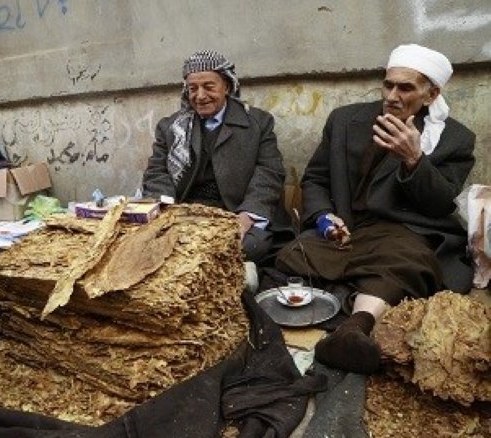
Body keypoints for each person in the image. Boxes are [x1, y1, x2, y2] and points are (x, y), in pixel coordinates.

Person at [276, 44, 476, 374]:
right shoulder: (344, 120)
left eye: (406, 87)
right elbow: (316, 178)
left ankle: (355, 328)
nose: (393, 95)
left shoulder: (454, 139)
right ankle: (353, 306)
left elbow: (440, 203)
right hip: (348, 227)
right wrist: (325, 218)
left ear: (431, 94)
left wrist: (414, 160)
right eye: (388, 84)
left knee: (399, 263)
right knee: (293, 255)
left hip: (405, 230)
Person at [142, 49, 287, 265]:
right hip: (186, 212)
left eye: (209, 87)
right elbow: (157, 173)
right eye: (193, 89)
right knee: (150, 245)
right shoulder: (171, 127)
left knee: (246, 247)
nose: (200, 96)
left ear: (227, 87)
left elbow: (269, 173)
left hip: (236, 212)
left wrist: (247, 216)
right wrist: (167, 211)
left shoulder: (258, 123)